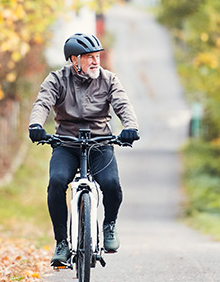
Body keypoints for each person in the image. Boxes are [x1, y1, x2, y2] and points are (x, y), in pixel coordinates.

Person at [28, 32, 139, 266]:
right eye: (89, 57)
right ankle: (62, 243)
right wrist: (36, 125)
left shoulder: (109, 80)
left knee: (111, 184)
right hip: (66, 144)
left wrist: (130, 127)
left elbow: (122, 104)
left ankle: (109, 225)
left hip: (100, 144)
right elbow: (43, 102)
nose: (96, 61)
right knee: (57, 182)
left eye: (97, 56)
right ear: (74, 60)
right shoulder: (57, 79)